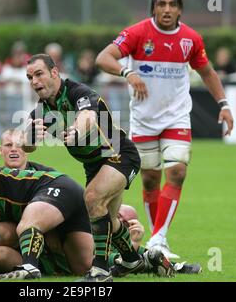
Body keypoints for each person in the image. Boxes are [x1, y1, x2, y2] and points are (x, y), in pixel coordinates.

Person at [95, 0, 234, 259]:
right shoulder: (136, 33)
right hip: (144, 120)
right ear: (154, 9)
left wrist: (224, 104)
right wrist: (127, 71)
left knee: (178, 172)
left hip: (176, 117)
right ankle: (156, 239)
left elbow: (206, 71)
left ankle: (159, 237)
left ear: (180, 9)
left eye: (172, 4)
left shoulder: (190, 38)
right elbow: (103, 58)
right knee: (149, 179)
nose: (167, 9)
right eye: (162, 4)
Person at [23, 54, 172, 282]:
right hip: (94, 166)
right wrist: (30, 139)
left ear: (54, 72)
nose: (34, 81)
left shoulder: (77, 92)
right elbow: (27, 144)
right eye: (30, 77)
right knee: (109, 221)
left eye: (39, 74)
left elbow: (88, 117)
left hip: (119, 154)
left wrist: (75, 132)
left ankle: (100, 271)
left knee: (92, 199)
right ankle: (133, 260)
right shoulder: (42, 110)